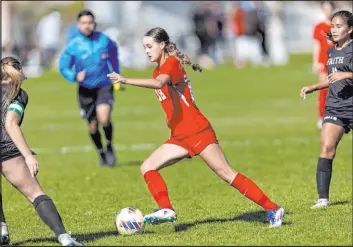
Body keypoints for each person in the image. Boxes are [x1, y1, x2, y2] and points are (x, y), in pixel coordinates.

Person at [107, 27, 285, 228]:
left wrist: (125, 80)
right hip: (180, 135)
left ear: (162, 45)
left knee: (226, 173)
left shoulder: (170, 64)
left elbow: (159, 84)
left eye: (149, 46)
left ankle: (272, 208)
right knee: (147, 167)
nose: (146, 51)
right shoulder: (157, 69)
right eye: (144, 47)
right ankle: (167, 210)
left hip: (197, 130)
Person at [0, 57, 83, 246]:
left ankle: (2, 231)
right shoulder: (18, 93)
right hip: (7, 150)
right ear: (19, 71)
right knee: (36, 194)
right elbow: (10, 124)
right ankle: (64, 237)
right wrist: (28, 156)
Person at [300, 10, 353, 209]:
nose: (335, 29)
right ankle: (323, 199)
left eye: (339, 26)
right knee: (326, 149)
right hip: (336, 107)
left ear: (350, 29)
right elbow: (332, 79)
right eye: (333, 26)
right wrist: (313, 87)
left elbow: (342, 76)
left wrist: (347, 76)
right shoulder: (331, 51)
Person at [59, 10, 119, 167]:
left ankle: (110, 146)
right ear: (78, 25)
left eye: (90, 22)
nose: (87, 26)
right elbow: (63, 67)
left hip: (104, 85)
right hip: (85, 89)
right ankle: (101, 153)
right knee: (93, 126)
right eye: (84, 23)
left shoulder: (104, 40)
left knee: (104, 118)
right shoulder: (73, 45)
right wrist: (74, 76)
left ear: (94, 24)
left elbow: (114, 52)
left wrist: (116, 73)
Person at [312, 1, 335, 129]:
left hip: (338, 62)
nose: (327, 11)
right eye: (324, 9)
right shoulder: (319, 27)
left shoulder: (339, 26)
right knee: (323, 90)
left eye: (329, 9)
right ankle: (322, 117)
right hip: (323, 62)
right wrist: (315, 61)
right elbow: (317, 45)